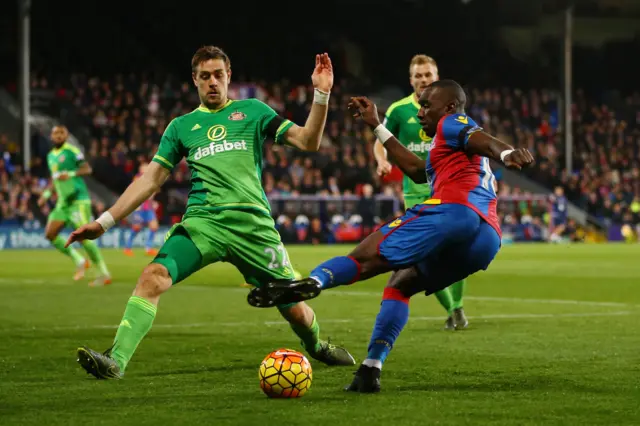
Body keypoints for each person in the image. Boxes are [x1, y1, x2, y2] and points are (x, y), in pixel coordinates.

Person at [66, 46, 355, 379]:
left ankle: (317, 346)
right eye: (205, 77)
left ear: (229, 76)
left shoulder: (253, 111)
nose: (213, 82)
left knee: (294, 309)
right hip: (204, 224)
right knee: (152, 277)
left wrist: (321, 94)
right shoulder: (181, 127)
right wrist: (104, 223)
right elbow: (151, 179)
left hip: (253, 227)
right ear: (195, 80)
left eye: (219, 75)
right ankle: (115, 360)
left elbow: (308, 142)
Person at [249, 80, 535, 392]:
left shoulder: (454, 123)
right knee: (400, 285)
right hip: (486, 239)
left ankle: (314, 282)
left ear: (450, 107)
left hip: (454, 212)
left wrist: (506, 153)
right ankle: (371, 368)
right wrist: (375, 124)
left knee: (363, 258)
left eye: (427, 105)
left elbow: (482, 139)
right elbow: (415, 169)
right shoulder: (448, 150)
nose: (421, 112)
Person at [373, 54, 467, 330]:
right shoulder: (400, 110)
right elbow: (381, 138)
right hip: (416, 194)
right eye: (418, 76)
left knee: (458, 252)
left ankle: (456, 307)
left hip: (450, 189)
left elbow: (469, 141)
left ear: (436, 77)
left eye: (428, 75)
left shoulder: (451, 109)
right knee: (425, 254)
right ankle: (453, 308)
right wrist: (382, 159)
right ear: (411, 79)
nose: (423, 80)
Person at [38, 125, 112, 286]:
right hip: (63, 203)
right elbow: (55, 180)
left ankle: (103, 274)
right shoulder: (51, 156)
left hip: (78, 200)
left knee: (84, 237)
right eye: (55, 133)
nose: (58, 136)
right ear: (51, 137)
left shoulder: (72, 151)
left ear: (66, 136)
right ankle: (79, 260)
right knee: (50, 234)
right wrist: (46, 195)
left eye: (61, 133)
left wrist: (71, 173)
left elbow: (87, 169)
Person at [123, 162, 159, 257]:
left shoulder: (151, 177)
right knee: (137, 228)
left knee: (154, 226)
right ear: (140, 169)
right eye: (144, 167)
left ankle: (148, 248)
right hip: (140, 207)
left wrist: (153, 201)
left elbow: (153, 190)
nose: (146, 169)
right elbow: (135, 190)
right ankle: (127, 247)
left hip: (148, 207)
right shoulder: (137, 178)